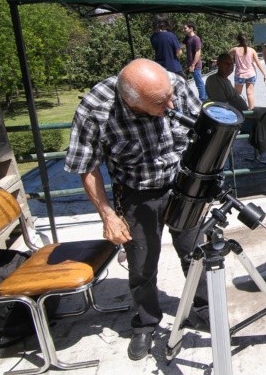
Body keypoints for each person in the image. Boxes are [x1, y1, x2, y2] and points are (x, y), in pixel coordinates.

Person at [64, 58, 210, 361]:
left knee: (195, 253)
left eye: (170, 95)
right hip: (137, 193)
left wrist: (203, 186)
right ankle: (146, 322)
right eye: (160, 103)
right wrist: (108, 215)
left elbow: (201, 134)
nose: (171, 105)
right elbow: (87, 167)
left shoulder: (175, 86)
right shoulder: (97, 108)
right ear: (131, 101)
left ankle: (202, 306)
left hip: (183, 187)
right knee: (142, 265)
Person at [230, 33, 266, 109]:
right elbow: (258, 63)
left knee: (237, 94)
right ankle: (251, 111)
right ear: (246, 40)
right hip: (251, 74)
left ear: (238, 40)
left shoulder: (235, 50)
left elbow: (225, 57)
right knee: (250, 94)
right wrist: (264, 74)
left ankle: (238, 110)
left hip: (239, 75)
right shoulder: (252, 50)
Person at [183, 21, 207, 101]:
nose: (183, 30)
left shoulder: (196, 39)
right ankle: (204, 98)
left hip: (195, 65)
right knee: (198, 82)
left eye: (185, 28)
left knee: (199, 83)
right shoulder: (187, 38)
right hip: (191, 65)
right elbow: (180, 45)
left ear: (191, 28)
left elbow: (198, 53)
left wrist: (193, 65)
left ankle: (203, 100)